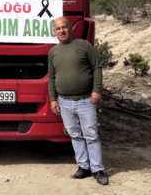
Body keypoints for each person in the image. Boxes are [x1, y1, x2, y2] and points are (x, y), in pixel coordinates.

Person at [48, 16, 108, 186]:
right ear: (54, 32)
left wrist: (96, 90)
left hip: (85, 100)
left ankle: (97, 169)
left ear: (71, 28)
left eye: (64, 27)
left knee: (91, 135)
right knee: (75, 135)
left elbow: (97, 68)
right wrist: (53, 99)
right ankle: (83, 167)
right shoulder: (53, 52)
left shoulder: (84, 46)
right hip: (64, 102)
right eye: (58, 28)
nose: (62, 31)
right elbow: (52, 77)